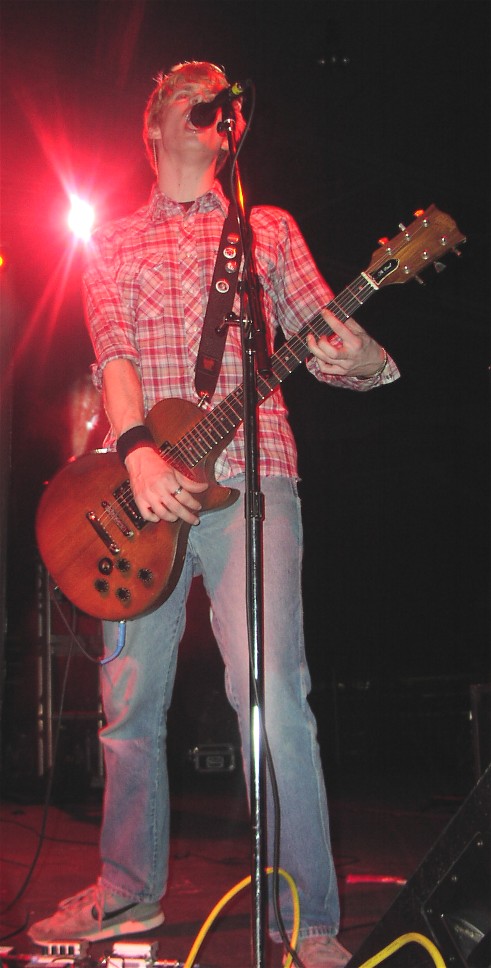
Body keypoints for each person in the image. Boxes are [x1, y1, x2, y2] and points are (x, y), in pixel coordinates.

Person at [29, 61, 400, 967]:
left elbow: (325, 335)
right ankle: (127, 892)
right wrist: (137, 450)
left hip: (252, 480)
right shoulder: (112, 240)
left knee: (271, 696)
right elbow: (115, 352)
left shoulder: (265, 228)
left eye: (223, 94)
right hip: (138, 494)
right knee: (128, 705)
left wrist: (362, 358)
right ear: (156, 123)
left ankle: (306, 918)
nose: (215, 97)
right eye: (193, 91)